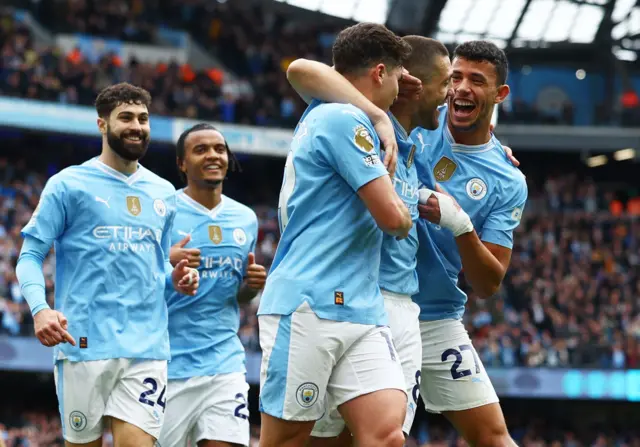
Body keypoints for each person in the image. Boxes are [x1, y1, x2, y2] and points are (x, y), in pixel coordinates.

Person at [284, 36, 451, 445]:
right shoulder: (354, 121)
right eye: (446, 83)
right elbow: (302, 69)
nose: (451, 95)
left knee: (386, 436)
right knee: (316, 436)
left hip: (398, 308)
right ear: (406, 80)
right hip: (351, 297)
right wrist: (377, 113)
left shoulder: (415, 147)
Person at [15, 83, 199, 447]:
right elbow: (30, 256)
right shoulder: (68, 184)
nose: (137, 126)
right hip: (83, 343)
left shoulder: (163, 192)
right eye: (126, 117)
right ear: (102, 124)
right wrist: (40, 310)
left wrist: (174, 278)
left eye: (143, 119)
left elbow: (157, 267)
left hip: (146, 348)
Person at [257, 23, 413, 447]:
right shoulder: (344, 117)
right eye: (399, 77)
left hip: (360, 307)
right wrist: (409, 212)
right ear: (380, 72)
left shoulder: (330, 109)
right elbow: (393, 220)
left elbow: (310, 73)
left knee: (386, 436)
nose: (401, 89)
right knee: (285, 441)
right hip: (310, 303)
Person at [410, 40, 527, 447]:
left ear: (500, 95)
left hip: (437, 317)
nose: (461, 88)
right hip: (374, 305)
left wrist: (461, 225)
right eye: (455, 77)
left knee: (495, 437)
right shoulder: (415, 119)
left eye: (477, 80)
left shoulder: (507, 180)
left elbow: (488, 283)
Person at [158, 123, 267, 447]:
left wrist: (250, 286)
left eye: (219, 149)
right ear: (181, 163)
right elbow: (135, 280)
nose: (213, 155)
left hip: (224, 364)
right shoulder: (163, 211)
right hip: (167, 365)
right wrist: (166, 264)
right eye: (201, 149)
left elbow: (239, 296)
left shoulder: (245, 218)